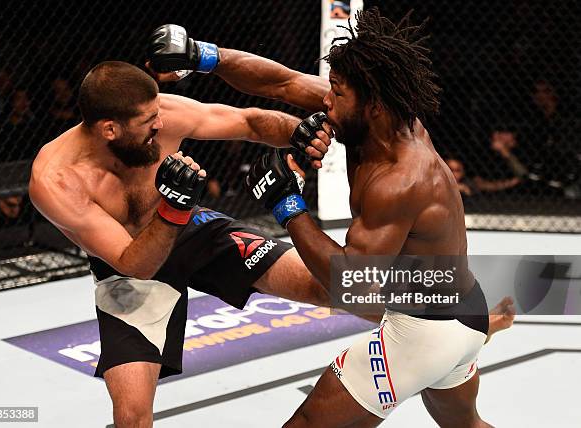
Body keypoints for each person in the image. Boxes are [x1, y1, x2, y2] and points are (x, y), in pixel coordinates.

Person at [148, 8, 513, 427]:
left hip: (424, 332)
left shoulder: (400, 179)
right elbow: (281, 82)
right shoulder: (374, 117)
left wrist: (288, 206)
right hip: (462, 311)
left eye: (337, 92)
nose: (325, 101)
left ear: (372, 103)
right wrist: (202, 55)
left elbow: (348, 283)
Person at [29, 60, 334, 428]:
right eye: (148, 122)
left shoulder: (162, 115)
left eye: (157, 114)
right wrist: (173, 207)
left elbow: (249, 122)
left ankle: (417, 297)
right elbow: (134, 264)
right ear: (109, 129)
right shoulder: (57, 180)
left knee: (328, 285)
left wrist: (299, 132)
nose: (160, 125)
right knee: (131, 418)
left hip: (193, 229)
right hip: (128, 267)